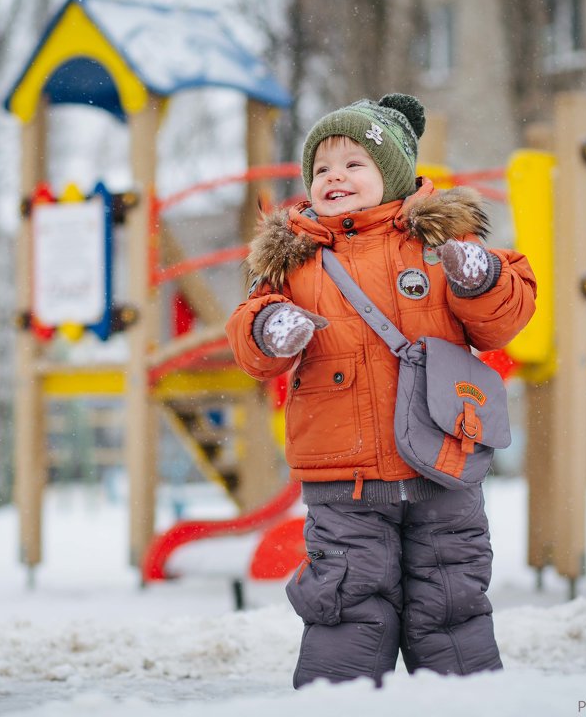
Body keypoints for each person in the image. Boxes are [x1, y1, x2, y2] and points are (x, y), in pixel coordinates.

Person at [225, 93, 536, 688]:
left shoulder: (438, 244)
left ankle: (465, 702)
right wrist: (270, 328)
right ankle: (337, 702)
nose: (334, 177)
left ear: (392, 175)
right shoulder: (295, 263)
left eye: (353, 164)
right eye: (321, 169)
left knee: (452, 605)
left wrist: (483, 279)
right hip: (345, 482)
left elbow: (503, 319)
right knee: (344, 608)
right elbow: (248, 339)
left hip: (443, 467)